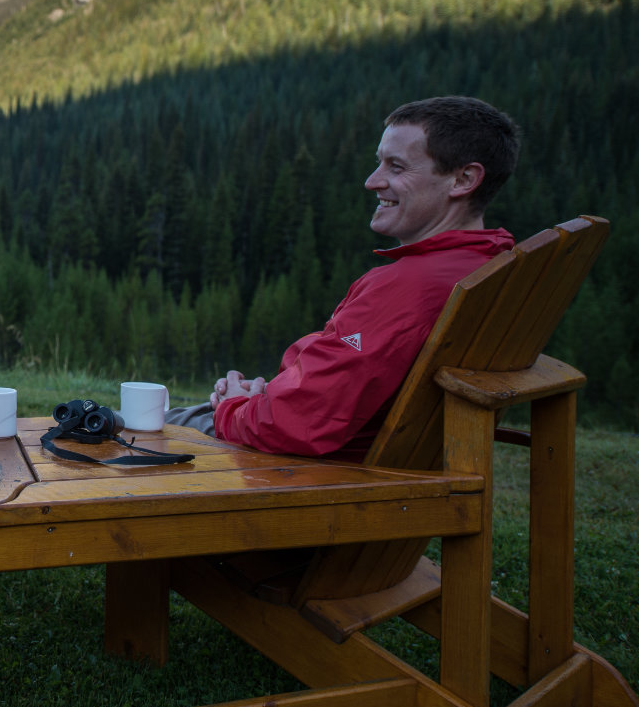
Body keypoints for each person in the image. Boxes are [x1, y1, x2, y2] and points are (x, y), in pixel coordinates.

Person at [166, 96, 520, 458]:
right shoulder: (489, 263)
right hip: (349, 443)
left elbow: (293, 425)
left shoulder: (408, 289)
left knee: (129, 426)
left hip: (315, 466)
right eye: (378, 163)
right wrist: (264, 397)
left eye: (396, 167)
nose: (372, 182)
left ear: (464, 179)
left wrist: (235, 405)